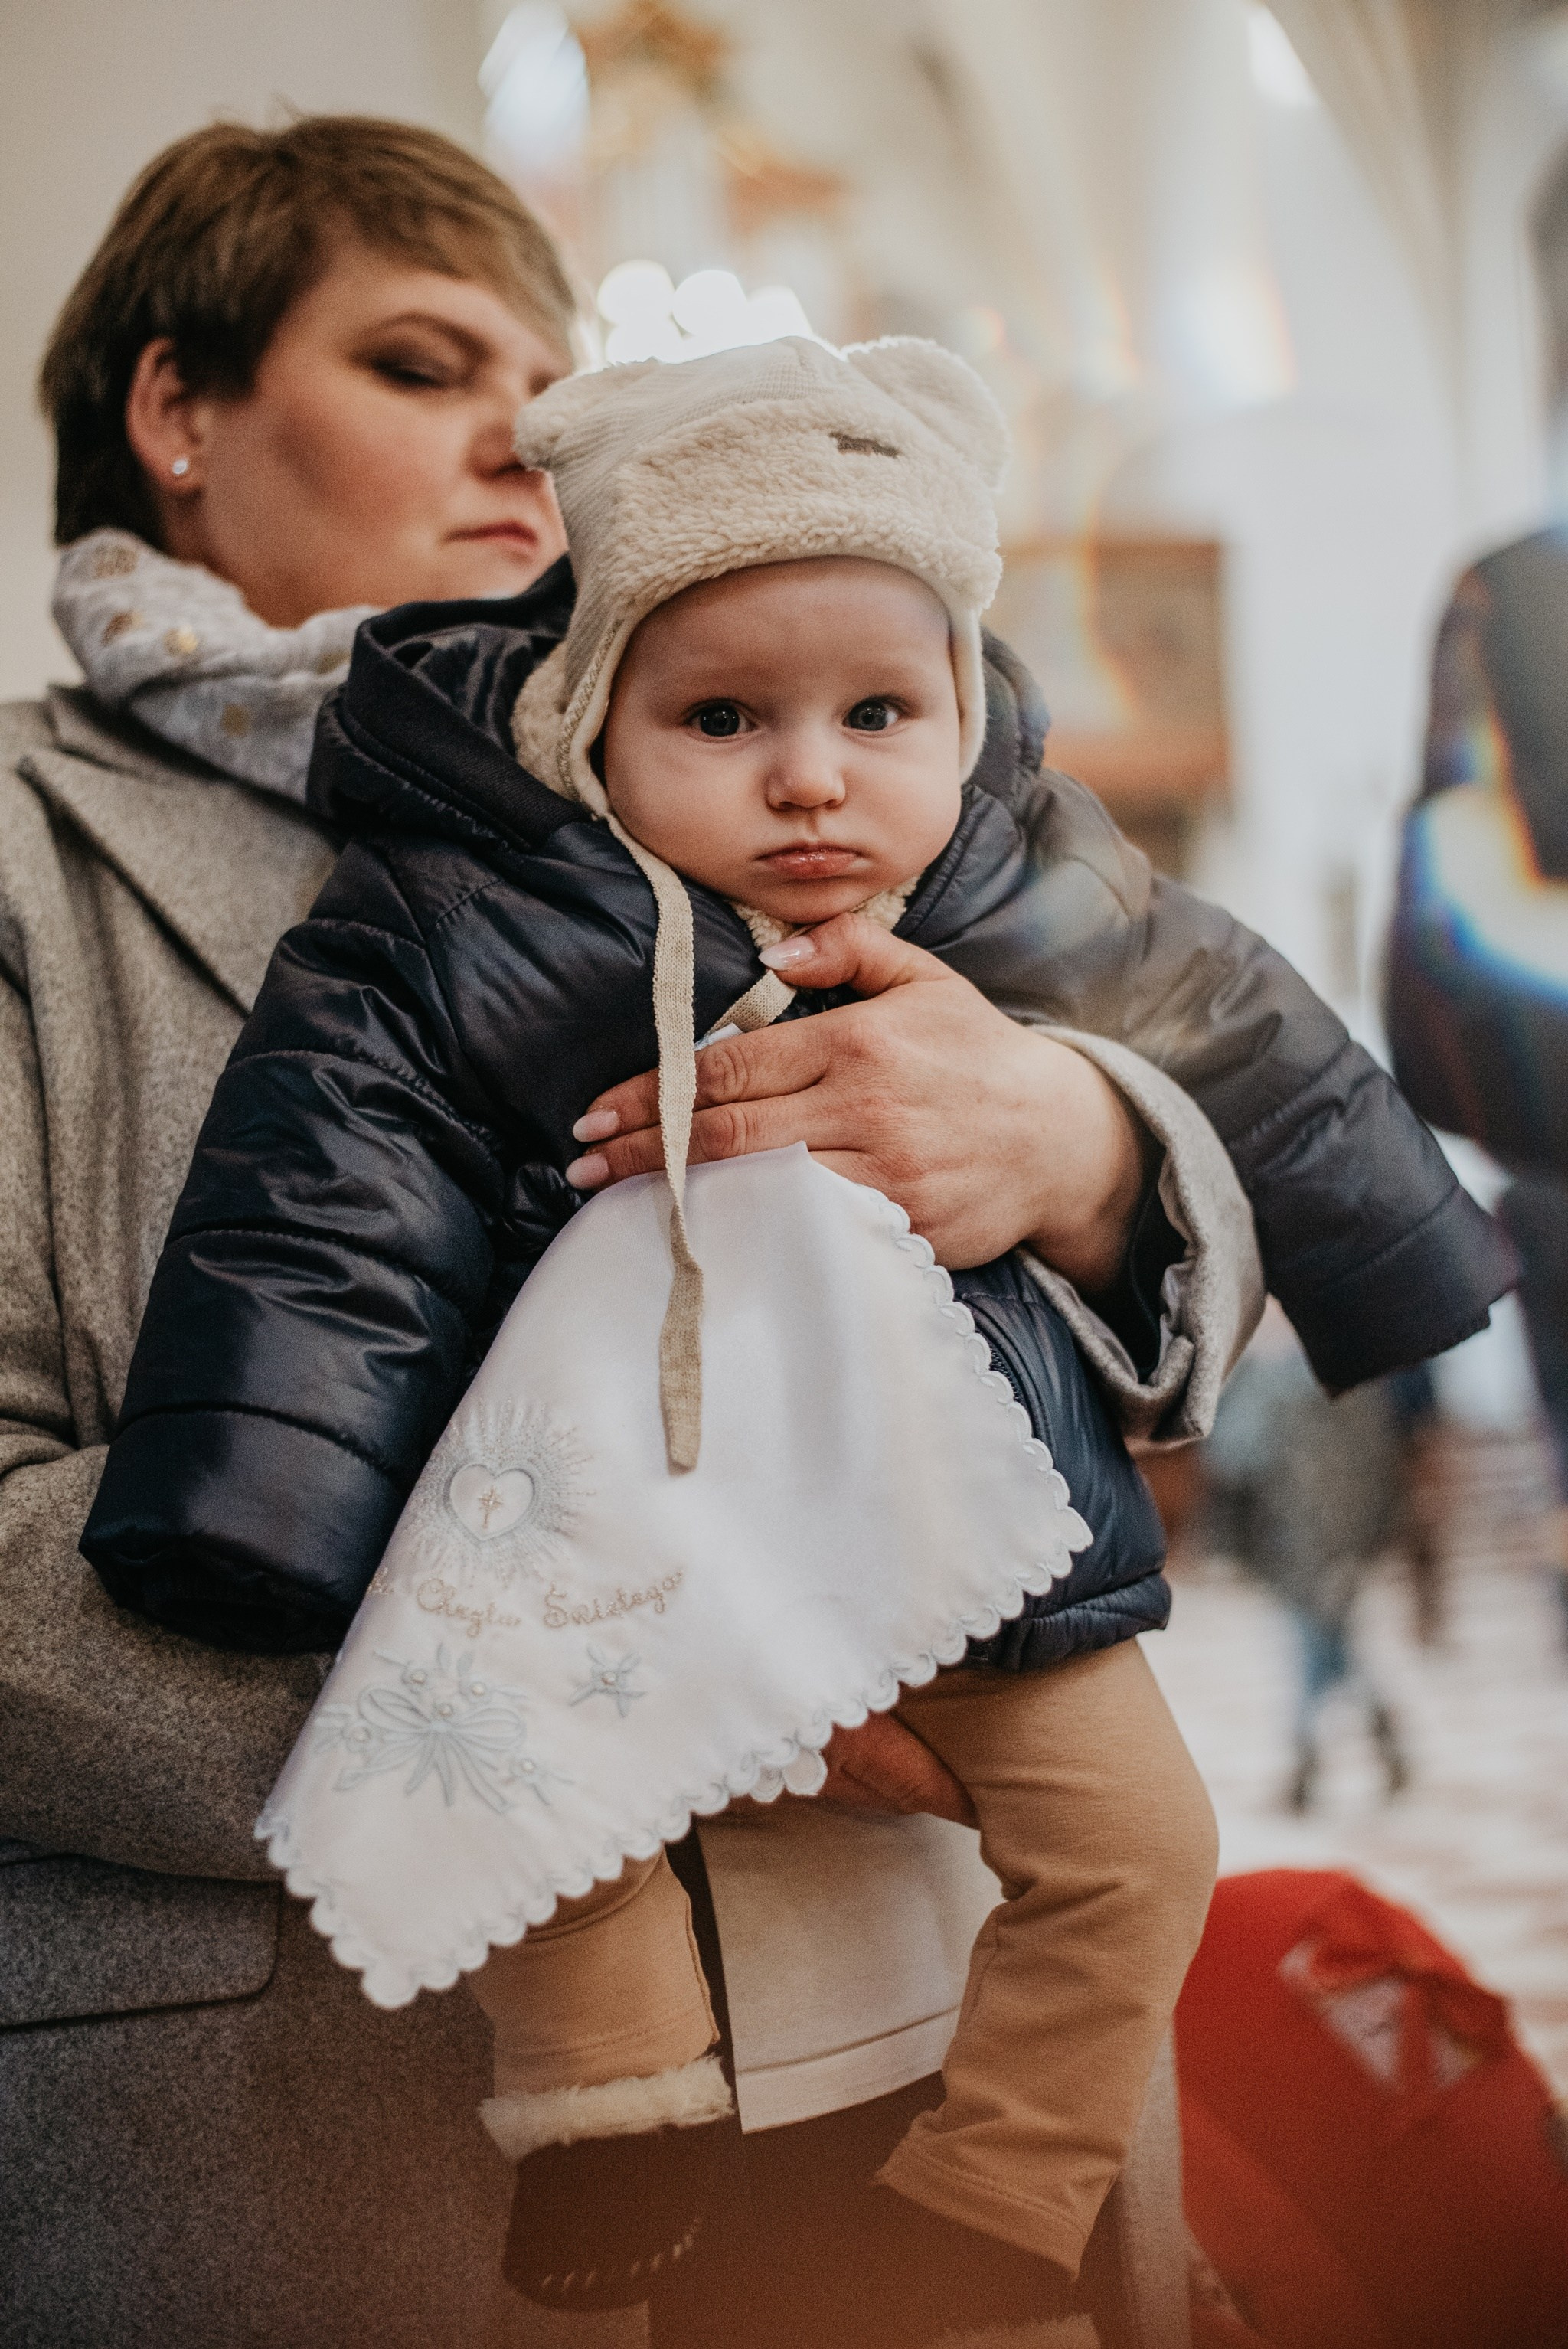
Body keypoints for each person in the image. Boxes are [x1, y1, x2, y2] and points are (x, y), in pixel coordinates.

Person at [80, 328, 1514, 2346]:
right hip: (609, 1510)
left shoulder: (992, 864)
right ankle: (610, 2088)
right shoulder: (482, 889)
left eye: (877, 711)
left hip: (947, 1518)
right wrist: (268, 1504)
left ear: (961, 708)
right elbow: (329, 1193)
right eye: (731, 715)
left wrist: (1117, 1145)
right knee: (519, 1741)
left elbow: (1234, 1030)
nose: (813, 772)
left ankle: (1002, 2195)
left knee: (1141, 1839)